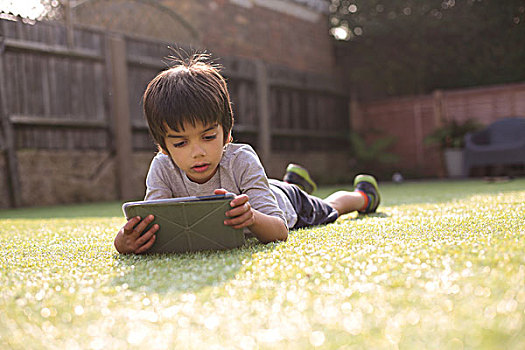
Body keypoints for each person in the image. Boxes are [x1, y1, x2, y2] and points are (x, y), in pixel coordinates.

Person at [114, 54, 381, 254]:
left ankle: (362, 196)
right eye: (180, 143)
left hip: (287, 204)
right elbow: (152, 223)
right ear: (163, 146)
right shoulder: (162, 167)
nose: (198, 153)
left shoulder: (241, 159)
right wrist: (124, 241)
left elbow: (279, 231)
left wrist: (251, 218)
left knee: (330, 208)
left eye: (208, 137)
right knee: (269, 189)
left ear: (227, 133)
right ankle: (291, 180)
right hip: (265, 190)